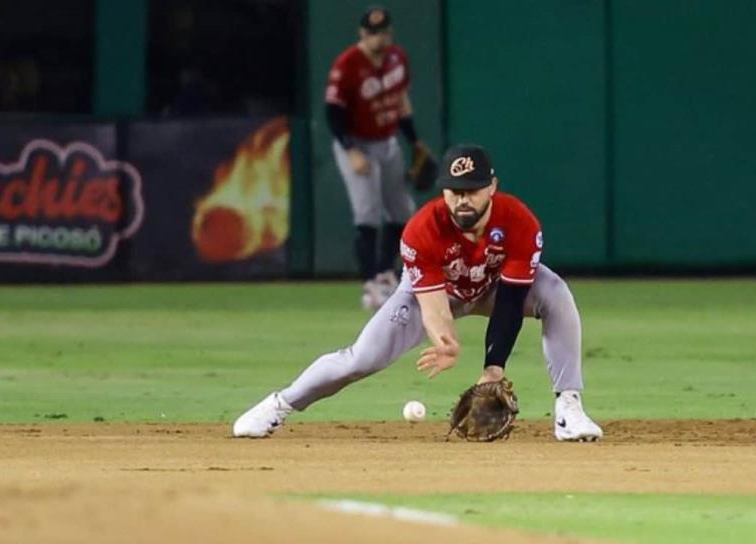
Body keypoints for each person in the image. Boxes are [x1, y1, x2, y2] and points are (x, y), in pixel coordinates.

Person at [233, 144, 603, 442]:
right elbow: (432, 301)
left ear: (492, 187)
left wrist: (492, 369)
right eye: (454, 191)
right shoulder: (423, 227)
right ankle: (279, 405)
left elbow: (509, 301)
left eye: (472, 190)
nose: (462, 200)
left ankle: (569, 407)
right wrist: (445, 340)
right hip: (437, 294)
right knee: (361, 359)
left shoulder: (519, 221)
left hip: (493, 289)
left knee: (554, 292)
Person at [325, 6, 429, 310]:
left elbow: (401, 101)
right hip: (355, 142)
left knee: (401, 211)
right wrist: (350, 150)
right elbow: (332, 113)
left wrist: (414, 141)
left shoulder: (398, 58)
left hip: (387, 140)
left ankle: (385, 272)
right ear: (362, 34)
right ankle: (370, 283)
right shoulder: (347, 65)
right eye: (372, 34)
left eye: (382, 33)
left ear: (389, 34)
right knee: (367, 213)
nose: (377, 39)